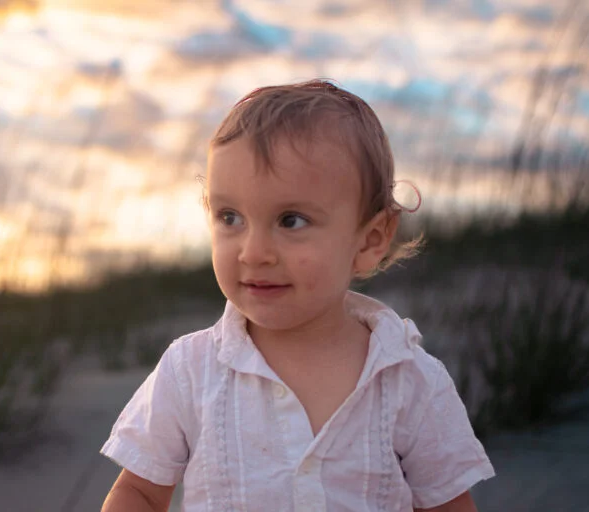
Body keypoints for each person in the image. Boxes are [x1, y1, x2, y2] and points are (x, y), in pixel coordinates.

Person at [100, 80, 495, 511]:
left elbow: (447, 505)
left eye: (291, 221)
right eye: (230, 217)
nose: (254, 252)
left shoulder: (410, 380)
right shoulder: (189, 371)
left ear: (370, 240)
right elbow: (139, 492)